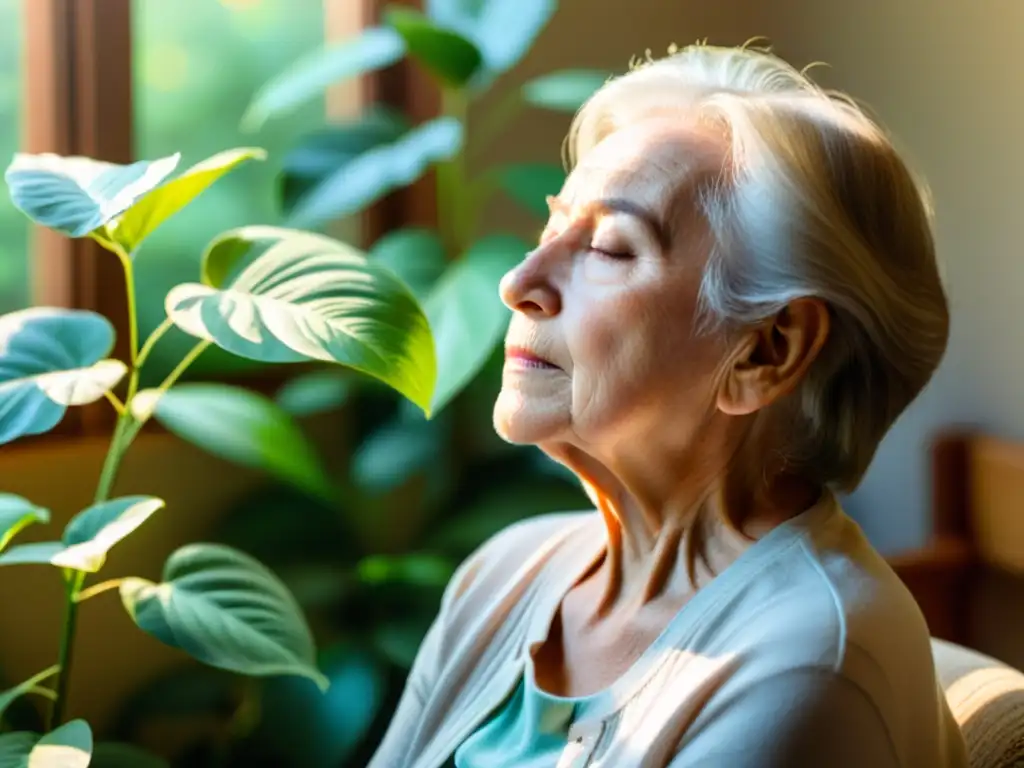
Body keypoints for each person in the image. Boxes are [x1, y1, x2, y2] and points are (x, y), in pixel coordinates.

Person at [369, 42, 968, 768]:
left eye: (612, 249)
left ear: (765, 351)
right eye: (554, 227)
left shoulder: (808, 665)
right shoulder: (502, 577)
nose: (520, 281)